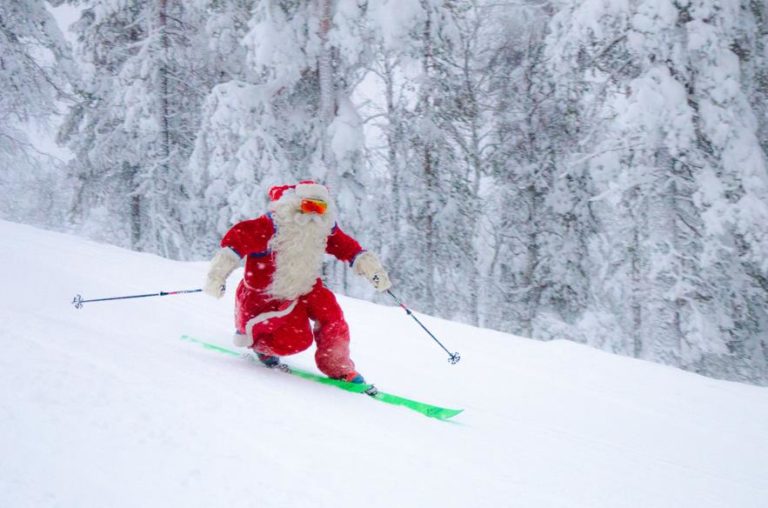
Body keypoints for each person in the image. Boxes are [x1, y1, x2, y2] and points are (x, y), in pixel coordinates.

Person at [203, 180, 391, 383]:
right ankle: (262, 347)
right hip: (266, 295)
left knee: (331, 314)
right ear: (294, 204)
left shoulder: (321, 227)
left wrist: (369, 267)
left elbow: (346, 247)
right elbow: (236, 241)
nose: (313, 215)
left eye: (320, 208)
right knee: (298, 340)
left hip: (306, 286)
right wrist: (217, 275)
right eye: (309, 206)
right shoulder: (268, 227)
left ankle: (338, 367)